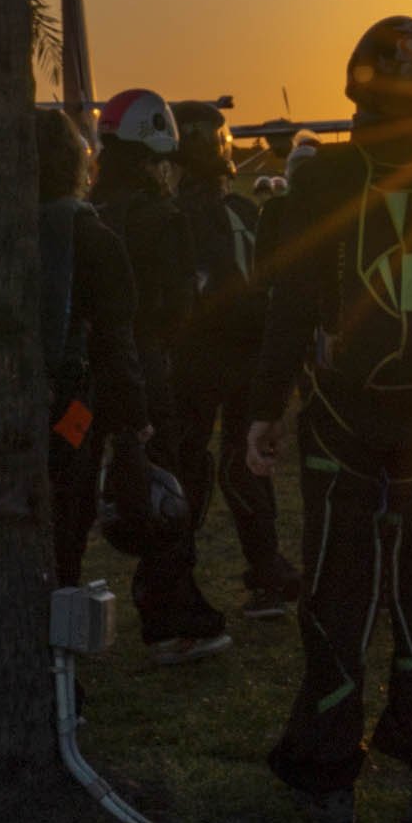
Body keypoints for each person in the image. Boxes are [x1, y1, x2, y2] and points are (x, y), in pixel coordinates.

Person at [247, 16, 412, 823]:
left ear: (355, 80)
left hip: (340, 421)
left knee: (338, 589)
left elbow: (290, 304)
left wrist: (264, 405)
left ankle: (328, 774)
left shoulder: (322, 178)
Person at [91, 88, 231, 663]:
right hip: (148, 365)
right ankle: (172, 617)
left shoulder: (91, 211)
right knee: (167, 488)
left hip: (88, 366)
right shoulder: (162, 217)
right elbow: (178, 309)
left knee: (79, 496)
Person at [170, 100, 300, 618]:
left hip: (195, 360)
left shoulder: (177, 217)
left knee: (188, 466)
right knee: (246, 466)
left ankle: (178, 573)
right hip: (250, 358)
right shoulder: (246, 211)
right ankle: (266, 569)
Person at [36, 107, 152, 586]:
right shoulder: (92, 237)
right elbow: (115, 339)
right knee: (67, 517)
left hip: (0, 403)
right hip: (69, 407)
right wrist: (133, 419)